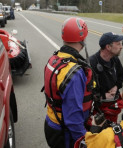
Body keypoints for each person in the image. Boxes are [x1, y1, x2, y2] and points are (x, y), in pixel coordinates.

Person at [43, 17, 97, 148]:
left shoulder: (55, 59)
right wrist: (84, 141)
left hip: (51, 122)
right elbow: (73, 118)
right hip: (65, 133)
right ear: (82, 39)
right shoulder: (75, 73)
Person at [89, 32, 123, 123]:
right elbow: (87, 90)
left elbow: (121, 75)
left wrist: (116, 86)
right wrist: (103, 96)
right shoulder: (91, 63)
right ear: (108, 47)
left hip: (113, 109)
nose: (121, 47)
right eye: (118, 44)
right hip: (98, 111)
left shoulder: (115, 60)